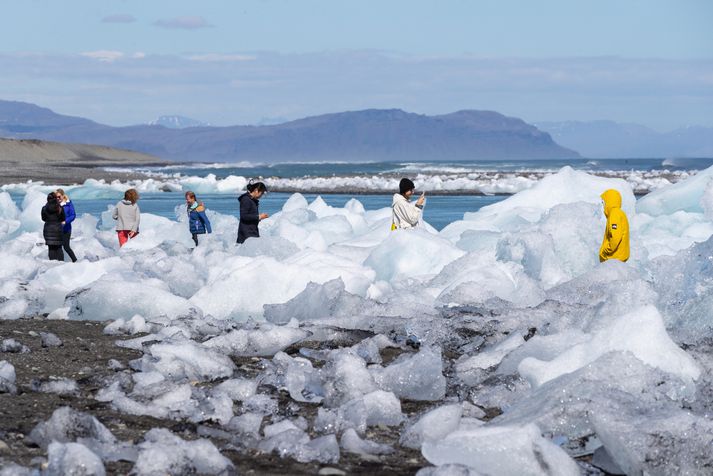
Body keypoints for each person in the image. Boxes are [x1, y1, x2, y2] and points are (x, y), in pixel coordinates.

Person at [599, 188, 630, 262]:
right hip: (618, 257)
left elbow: (615, 236)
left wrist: (606, 251)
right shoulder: (620, 213)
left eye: (603, 202)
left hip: (613, 258)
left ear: (608, 201)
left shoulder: (614, 214)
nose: (603, 205)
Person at [55, 189, 77, 262]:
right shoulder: (54, 204)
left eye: (59, 197)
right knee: (58, 247)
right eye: (56, 197)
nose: (57, 198)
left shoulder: (68, 204)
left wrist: (65, 221)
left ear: (63, 196)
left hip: (66, 229)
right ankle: (61, 263)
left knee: (66, 247)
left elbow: (73, 215)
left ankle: (75, 261)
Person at [41, 192, 65, 261]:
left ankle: (52, 263)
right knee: (59, 248)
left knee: (51, 248)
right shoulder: (60, 208)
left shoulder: (44, 208)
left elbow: (43, 218)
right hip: (58, 229)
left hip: (48, 229)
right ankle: (61, 263)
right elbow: (63, 218)